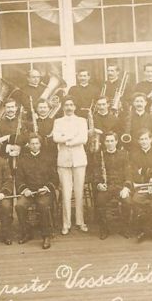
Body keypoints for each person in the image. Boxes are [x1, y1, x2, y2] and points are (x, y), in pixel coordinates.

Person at [52, 95, 89, 234]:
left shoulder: (82, 121)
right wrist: (72, 137)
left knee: (79, 192)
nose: (69, 107)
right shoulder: (58, 121)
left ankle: (80, 221)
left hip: (79, 160)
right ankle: (66, 223)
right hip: (63, 161)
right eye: (66, 105)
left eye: (71, 105)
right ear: (63, 107)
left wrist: (66, 140)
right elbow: (56, 138)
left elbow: (83, 138)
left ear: (75, 107)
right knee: (66, 193)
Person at [15, 135, 58, 249]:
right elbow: (19, 179)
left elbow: (55, 178)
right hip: (29, 192)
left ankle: (46, 235)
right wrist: (25, 190)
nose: (34, 146)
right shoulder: (23, 160)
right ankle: (27, 232)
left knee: (43, 205)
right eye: (32, 144)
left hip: (44, 192)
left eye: (37, 143)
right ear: (29, 145)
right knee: (19, 206)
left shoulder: (48, 159)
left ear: (40, 145)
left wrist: (46, 188)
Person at [124, 129, 152, 243]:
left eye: (146, 139)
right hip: (141, 187)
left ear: (151, 140)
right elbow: (133, 172)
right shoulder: (134, 155)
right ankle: (149, 231)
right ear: (138, 141)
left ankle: (145, 231)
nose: (144, 141)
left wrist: (143, 172)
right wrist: (149, 172)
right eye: (141, 139)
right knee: (136, 200)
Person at [91, 132, 131, 240]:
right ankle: (104, 229)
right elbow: (96, 173)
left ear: (116, 141)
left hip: (120, 187)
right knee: (100, 201)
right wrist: (99, 184)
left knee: (127, 202)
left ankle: (125, 228)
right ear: (104, 142)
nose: (110, 143)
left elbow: (128, 173)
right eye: (107, 141)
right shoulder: (100, 156)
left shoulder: (124, 154)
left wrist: (126, 187)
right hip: (106, 187)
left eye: (112, 141)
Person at [0, 99, 27, 163]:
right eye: (8, 107)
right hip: (3, 157)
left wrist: (19, 148)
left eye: (12, 107)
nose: (10, 109)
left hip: (19, 158)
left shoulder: (22, 123)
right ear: (4, 109)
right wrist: (8, 147)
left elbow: (25, 139)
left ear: (16, 108)